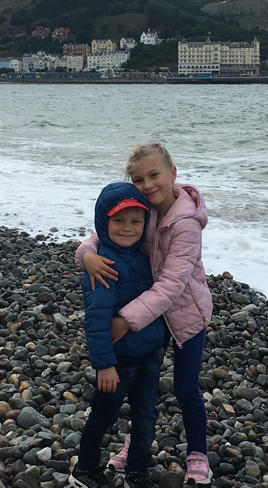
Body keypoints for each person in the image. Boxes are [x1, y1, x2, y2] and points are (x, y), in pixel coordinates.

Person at [75, 144, 213, 485]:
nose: (148, 184)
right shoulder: (142, 210)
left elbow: (171, 284)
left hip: (184, 316)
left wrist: (126, 320)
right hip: (152, 317)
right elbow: (101, 234)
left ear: (172, 174)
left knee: (184, 388)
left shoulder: (185, 225)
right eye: (139, 179)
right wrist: (85, 257)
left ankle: (197, 453)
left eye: (155, 175)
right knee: (143, 391)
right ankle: (135, 448)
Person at [70, 182, 167, 488]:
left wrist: (160, 344)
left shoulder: (144, 258)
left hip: (148, 357)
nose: (128, 228)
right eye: (118, 221)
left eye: (136, 221)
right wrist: (104, 365)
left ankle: (137, 472)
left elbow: (157, 303)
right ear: (103, 222)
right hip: (118, 361)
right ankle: (84, 470)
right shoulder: (102, 265)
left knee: (145, 419)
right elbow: (96, 322)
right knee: (102, 416)